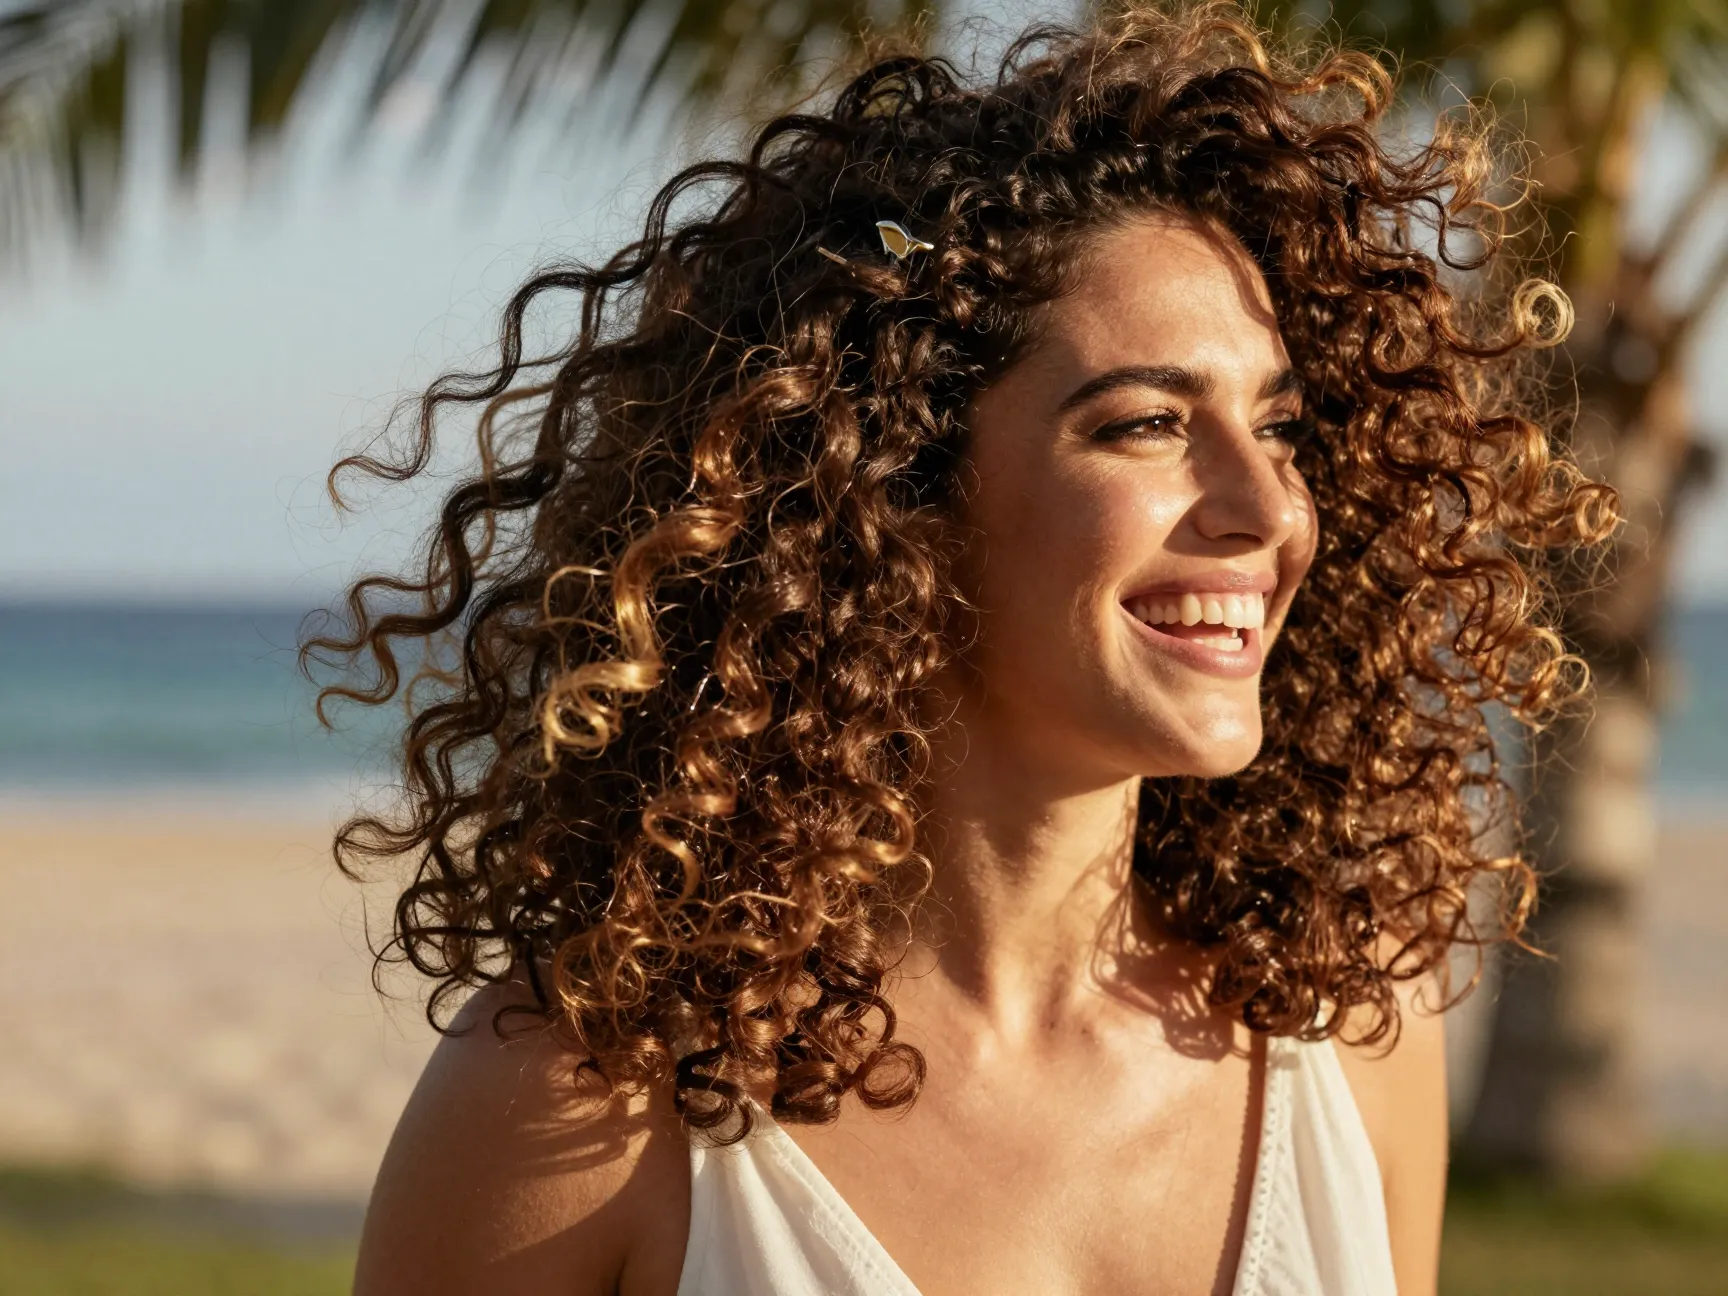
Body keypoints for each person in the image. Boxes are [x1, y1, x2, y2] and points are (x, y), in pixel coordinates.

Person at [316, 4, 1615, 1293]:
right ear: (894, 490)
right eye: (1147, 424)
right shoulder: (582, 1115)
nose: (1269, 511)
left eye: (1277, 428)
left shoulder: (1345, 1039)